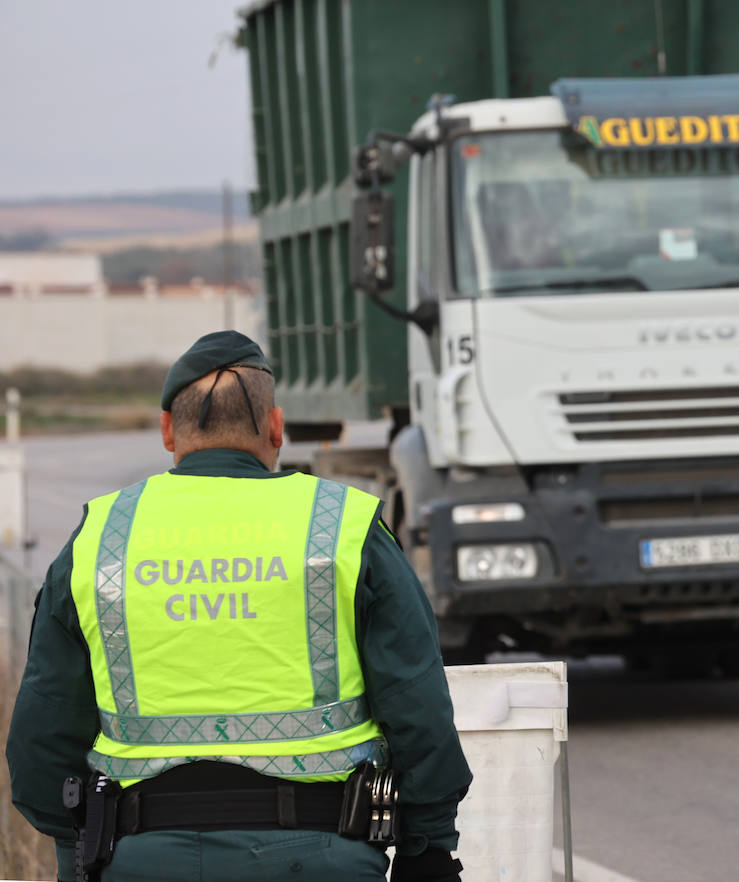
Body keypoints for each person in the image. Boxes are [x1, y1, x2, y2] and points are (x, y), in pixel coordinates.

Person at [7, 331, 472, 882]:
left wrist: (76, 846)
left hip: (142, 857)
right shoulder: (344, 527)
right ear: (276, 427)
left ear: (166, 431)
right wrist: (428, 846)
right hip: (325, 856)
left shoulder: (101, 537)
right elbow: (417, 705)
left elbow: (44, 738)